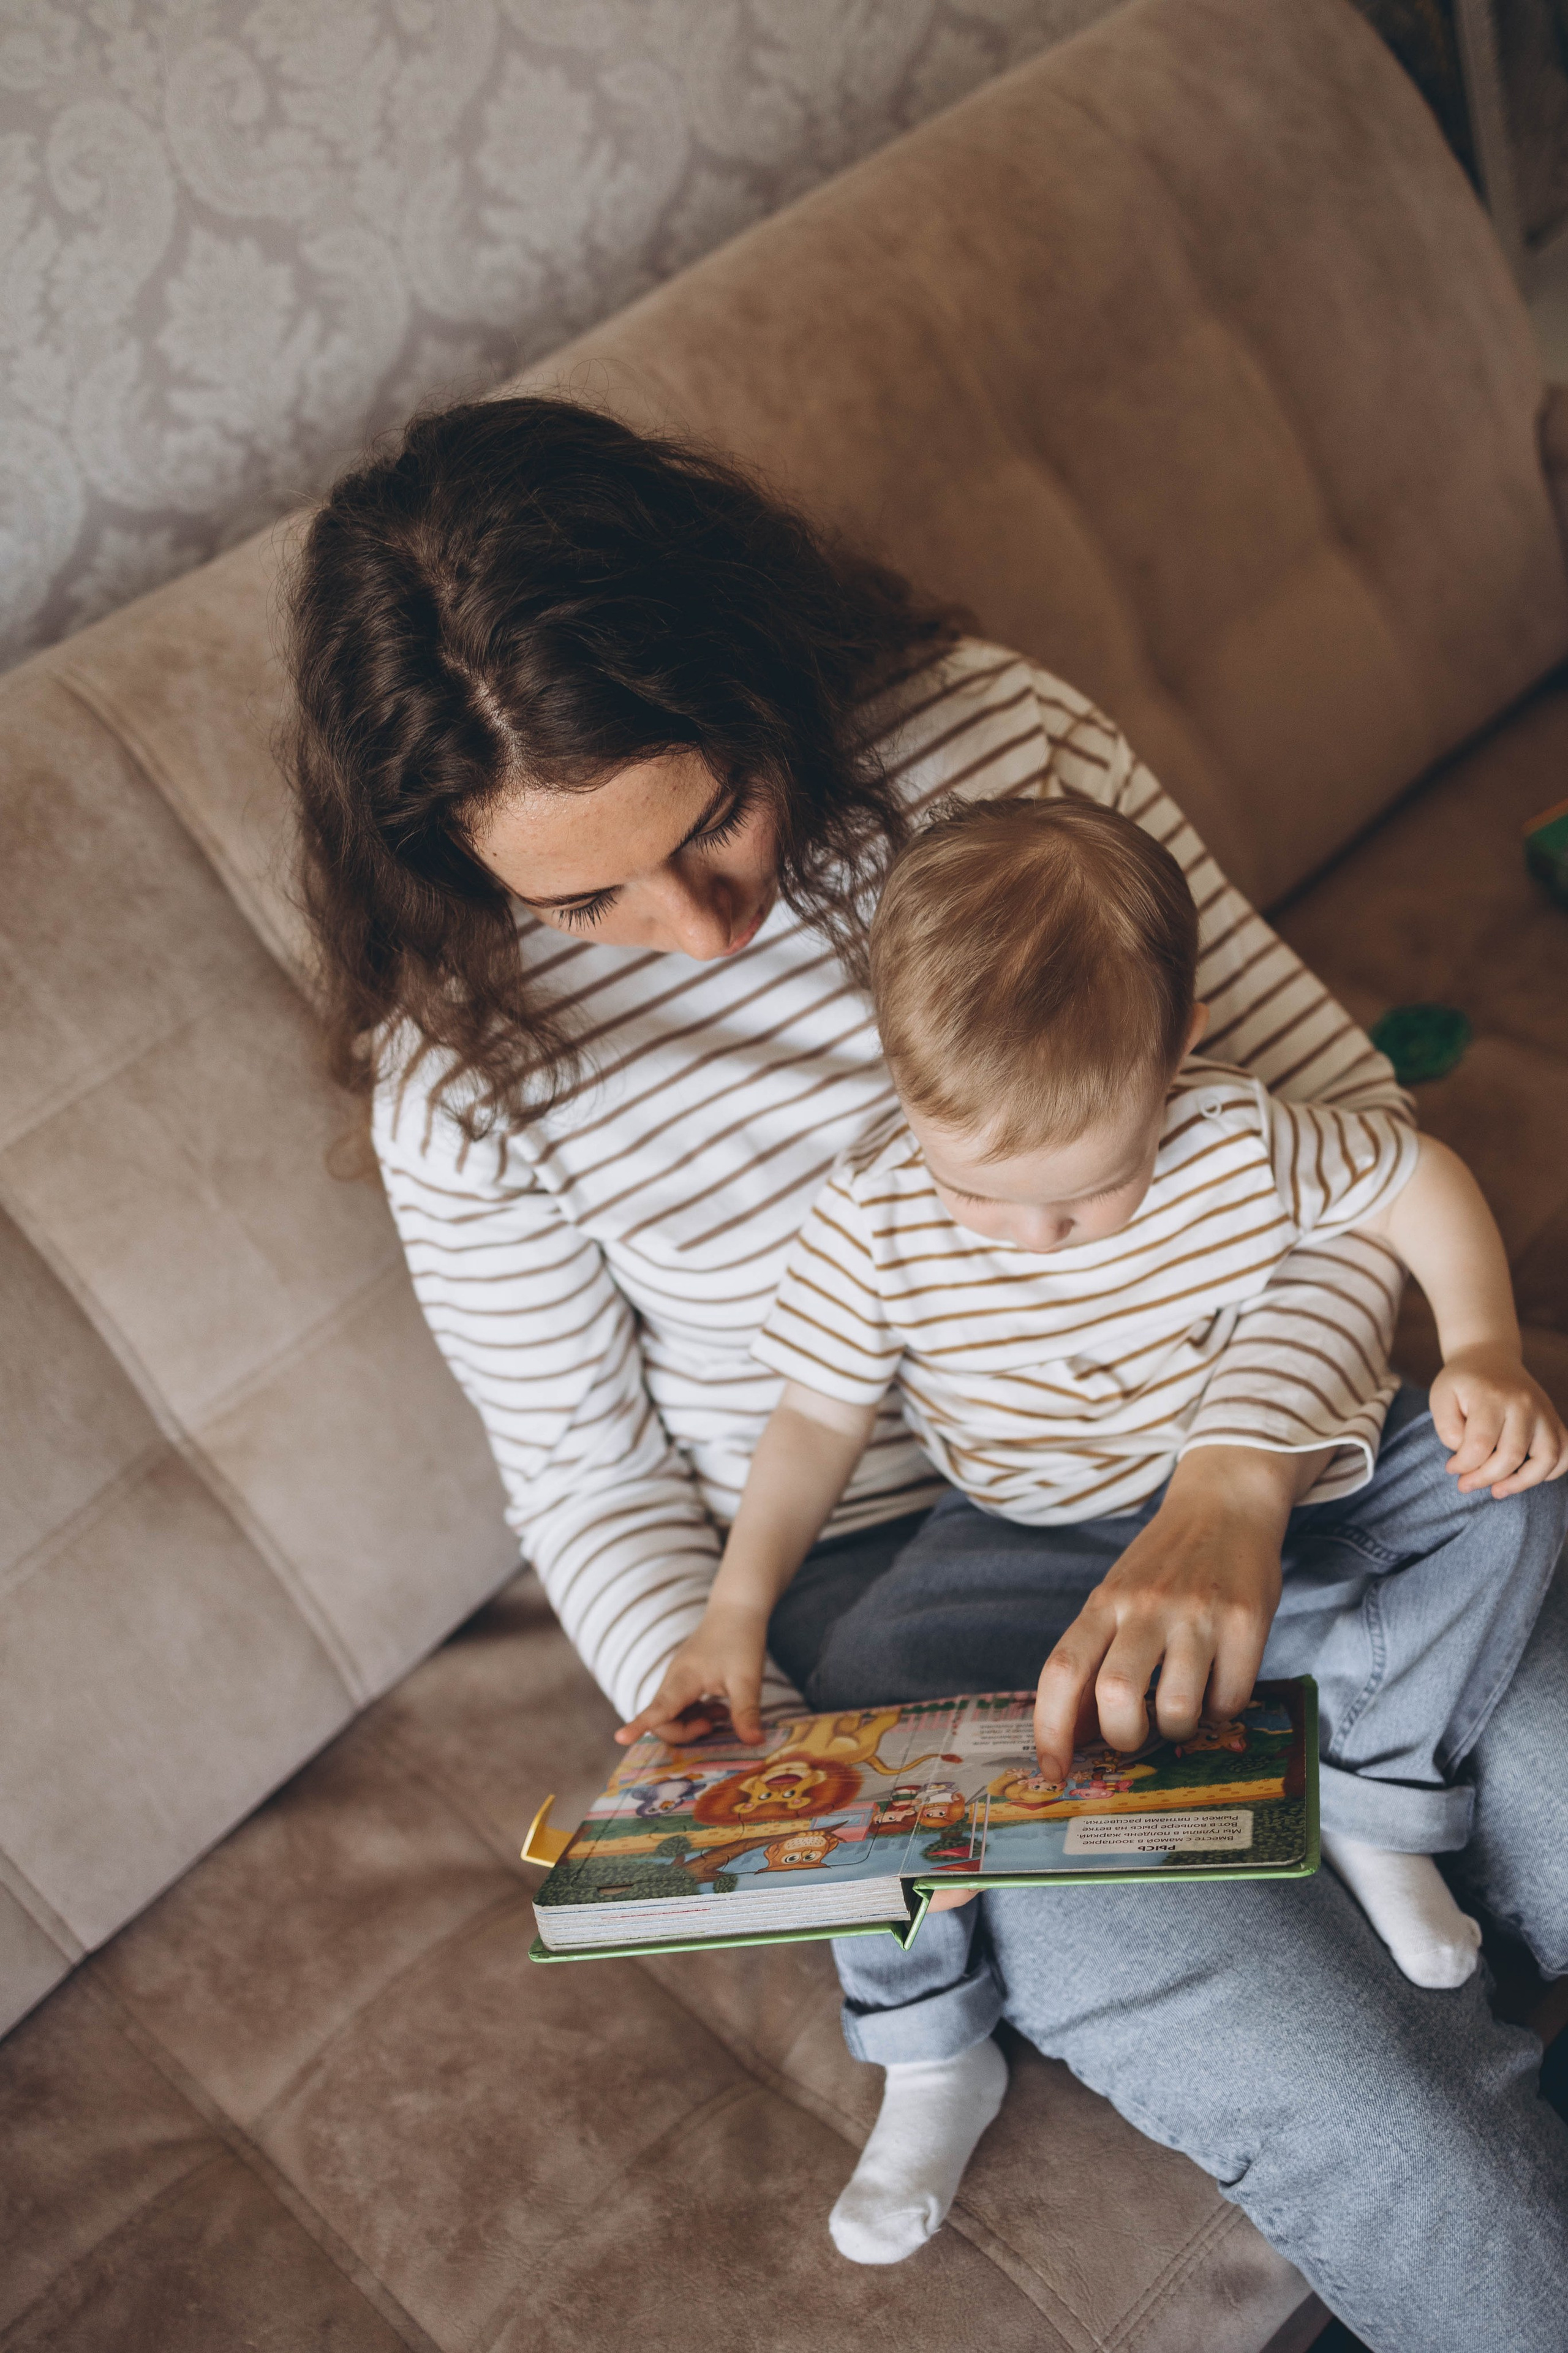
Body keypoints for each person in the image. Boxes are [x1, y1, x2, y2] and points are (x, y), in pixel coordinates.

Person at [288, 392, 1568, 2353]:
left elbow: (1318, 1143)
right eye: (584, 900)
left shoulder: (991, 739)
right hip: (917, 1619)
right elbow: (592, 1476)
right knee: (1397, 2130)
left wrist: (1232, 1479)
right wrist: (735, 1711)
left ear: (748, 678)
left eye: (712, 815)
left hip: (1257, 1442)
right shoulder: (465, 1081)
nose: (701, 930)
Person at [617, 795, 1568, 2262]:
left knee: (1515, 1484)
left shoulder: (1239, 1134)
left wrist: (1480, 1349)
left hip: (1278, 1494)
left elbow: (1412, 1180)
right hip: (1014, 1531)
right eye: (978, 1191)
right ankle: (933, 2046)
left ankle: (1383, 1796)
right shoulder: (873, 1214)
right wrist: (735, 1609)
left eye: (1085, 1191)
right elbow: (810, 1424)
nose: (1034, 1236)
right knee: (853, 1711)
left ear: (1174, 1044)